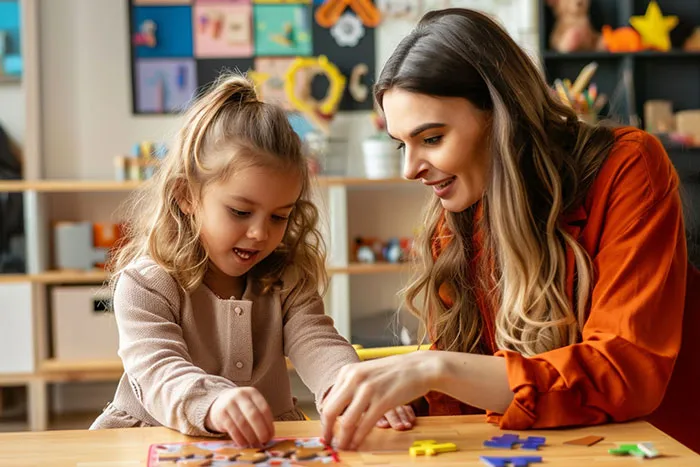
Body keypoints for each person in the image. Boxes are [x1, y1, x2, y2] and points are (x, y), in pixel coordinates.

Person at [320, 8, 700, 452]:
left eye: (432, 138)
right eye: (401, 144)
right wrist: (402, 397)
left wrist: (434, 370)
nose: (409, 169)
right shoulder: (459, 210)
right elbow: (473, 389)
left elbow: (623, 371)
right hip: (550, 450)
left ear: (501, 115)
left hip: (662, 448)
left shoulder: (628, 166)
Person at [90, 74, 415, 445]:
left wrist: (350, 390)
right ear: (186, 197)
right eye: (240, 212)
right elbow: (157, 370)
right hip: (158, 439)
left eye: (279, 216)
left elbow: (317, 341)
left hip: (261, 443)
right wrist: (213, 402)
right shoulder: (145, 284)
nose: (261, 233)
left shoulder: (285, 277)